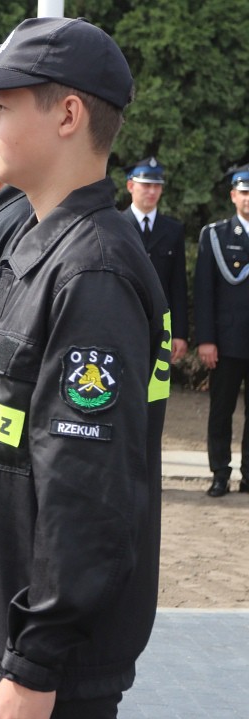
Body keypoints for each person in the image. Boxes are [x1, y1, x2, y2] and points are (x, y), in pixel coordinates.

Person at [0, 17, 171, 719]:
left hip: (41, 673)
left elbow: (87, 495)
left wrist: (36, 665)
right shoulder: (37, 248)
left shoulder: (92, 273)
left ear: (68, 115)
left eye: (0, 105)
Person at [193, 167, 249, 497]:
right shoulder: (216, 235)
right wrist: (207, 339)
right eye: (244, 192)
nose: (248, 198)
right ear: (233, 196)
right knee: (221, 412)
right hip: (226, 343)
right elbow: (204, 292)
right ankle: (220, 473)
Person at [124, 157, 188, 363]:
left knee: (156, 392)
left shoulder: (173, 230)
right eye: (146, 185)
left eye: (157, 186)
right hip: (123, 320)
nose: (152, 192)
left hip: (161, 325)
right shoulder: (116, 225)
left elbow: (178, 286)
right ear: (131, 186)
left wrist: (179, 333)